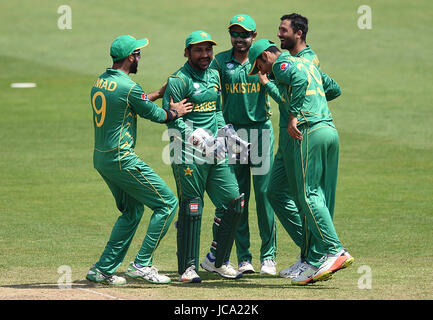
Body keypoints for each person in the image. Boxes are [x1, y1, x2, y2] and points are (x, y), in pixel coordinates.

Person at [86, 35, 193, 285]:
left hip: (102, 159)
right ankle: (141, 264)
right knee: (167, 204)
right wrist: (174, 111)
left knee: (133, 211)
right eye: (138, 54)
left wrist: (157, 92)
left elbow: (133, 103)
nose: (139, 59)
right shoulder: (129, 88)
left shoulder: (102, 81)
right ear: (130, 57)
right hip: (122, 159)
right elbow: (155, 115)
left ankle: (102, 269)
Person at [249, 39, 354, 285]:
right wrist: (311, 100)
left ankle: (332, 250)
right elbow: (332, 88)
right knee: (278, 192)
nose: (261, 73)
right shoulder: (307, 65)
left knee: (307, 195)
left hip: (305, 131)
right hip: (309, 133)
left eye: (259, 67)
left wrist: (296, 111)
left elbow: (295, 90)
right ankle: (311, 256)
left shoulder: (283, 64)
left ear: (265, 57)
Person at [162, 30, 249, 283]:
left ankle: (217, 261)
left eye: (208, 49)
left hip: (216, 151)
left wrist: (226, 131)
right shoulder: (178, 80)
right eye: (198, 50)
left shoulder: (213, 73)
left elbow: (217, 110)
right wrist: (195, 138)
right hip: (187, 153)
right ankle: (187, 269)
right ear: (187, 52)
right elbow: (171, 119)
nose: (205, 54)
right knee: (192, 206)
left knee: (234, 202)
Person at [210, 14, 277, 275]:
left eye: (244, 34)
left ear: (254, 36)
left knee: (264, 196)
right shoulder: (220, 61)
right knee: (239, 199)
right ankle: (244, 258)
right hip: (233, 136)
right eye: (235, 34)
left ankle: (268, 257)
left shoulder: (263, 60)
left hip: (261, 132)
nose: (239, 39)